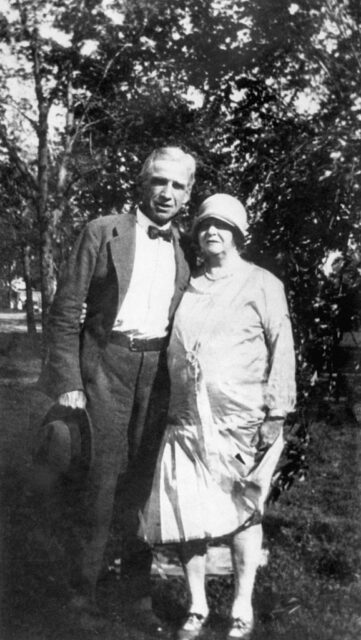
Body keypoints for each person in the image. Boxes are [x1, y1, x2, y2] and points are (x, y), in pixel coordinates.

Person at [39, 146, 196, 628]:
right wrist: (69, 381)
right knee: (100, 485)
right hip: (106, 366)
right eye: (159, 182)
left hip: (158, 377)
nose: (167, 193)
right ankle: (81, 596)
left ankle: (135, 598)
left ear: (188, 194)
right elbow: (66, 312)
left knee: (143, 488)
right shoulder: (102, 231)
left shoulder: (186, 248)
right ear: (142, 183)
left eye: (178, 185)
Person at [140, 193, 296, 640]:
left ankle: (242, 606)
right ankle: (197, 605)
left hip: (241, 417)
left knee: (243, 509)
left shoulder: (262, 283)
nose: (212, 231)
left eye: (222, 226)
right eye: (206, 224)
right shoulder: (189, 283)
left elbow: (281, 347)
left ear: (239, 234)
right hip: (186, 416)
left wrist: (277, 411)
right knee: (189, 511)